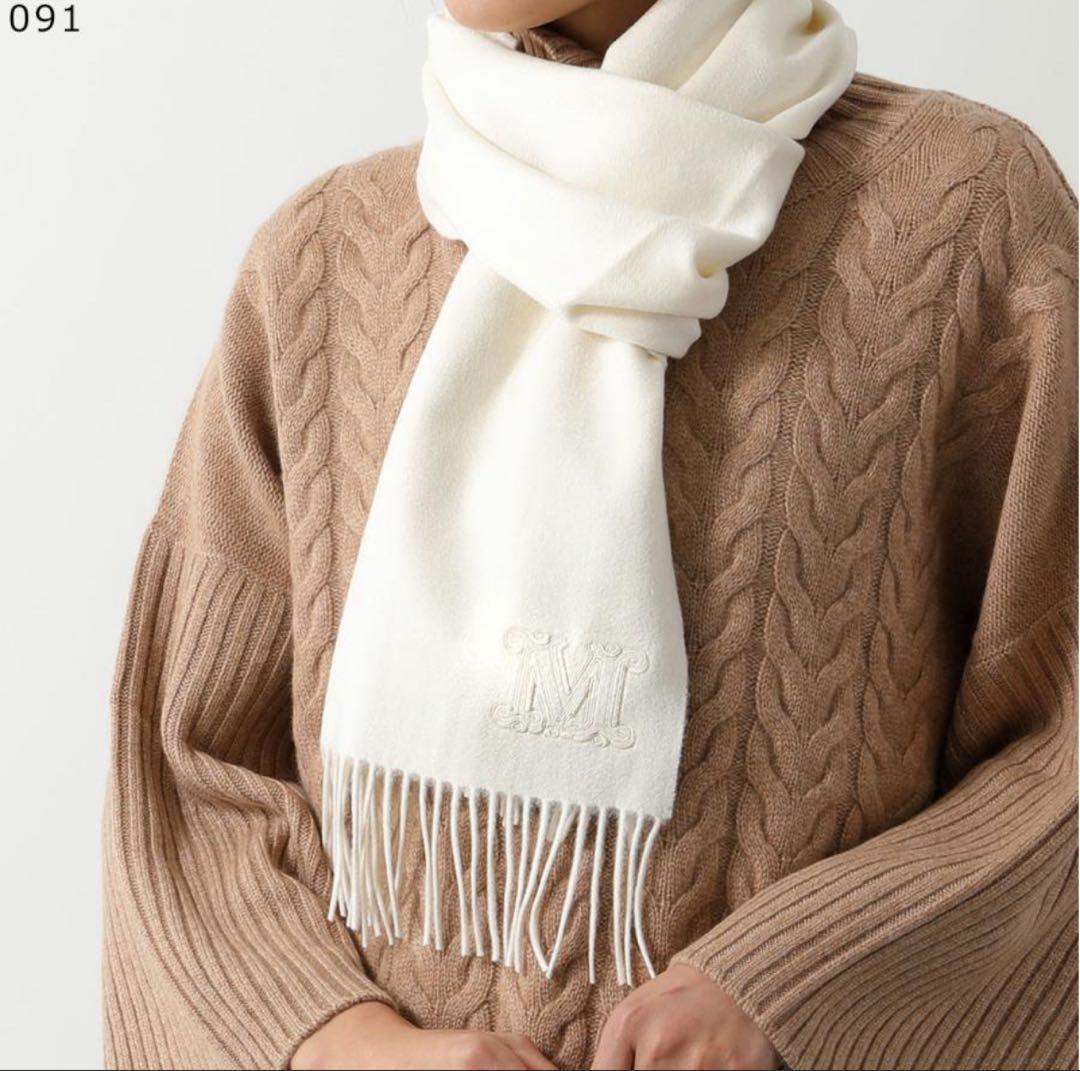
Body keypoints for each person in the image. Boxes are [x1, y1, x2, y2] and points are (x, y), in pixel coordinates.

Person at [102, 1, 1078, 1069]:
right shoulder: (323, 258)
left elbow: (1060, 749)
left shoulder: (964, 217)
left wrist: (792, 986)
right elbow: (187, 767)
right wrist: (348, 1044)